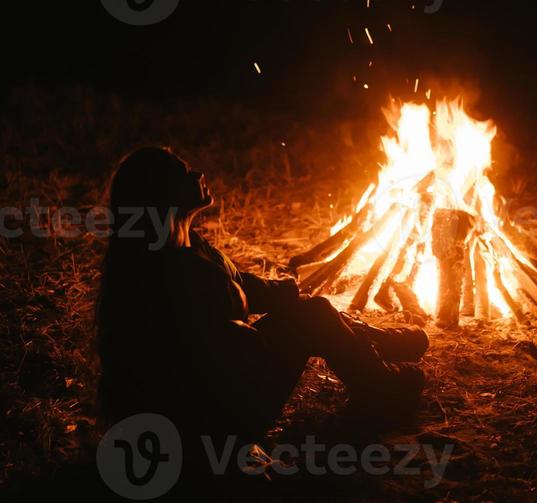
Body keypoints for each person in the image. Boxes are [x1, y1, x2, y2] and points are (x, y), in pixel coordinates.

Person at [97, 146, 428, 460]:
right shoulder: (171, 273)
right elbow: (223, 327)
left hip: (228, 383)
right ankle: (381, 384)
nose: (197, 173)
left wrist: (285, 290)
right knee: (311, 316)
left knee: (311, 310)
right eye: (183, 173)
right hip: (212, 422)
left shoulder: (187, 244)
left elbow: (242, 284)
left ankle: (377, 345)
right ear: (164, 197)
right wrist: (283, 323)